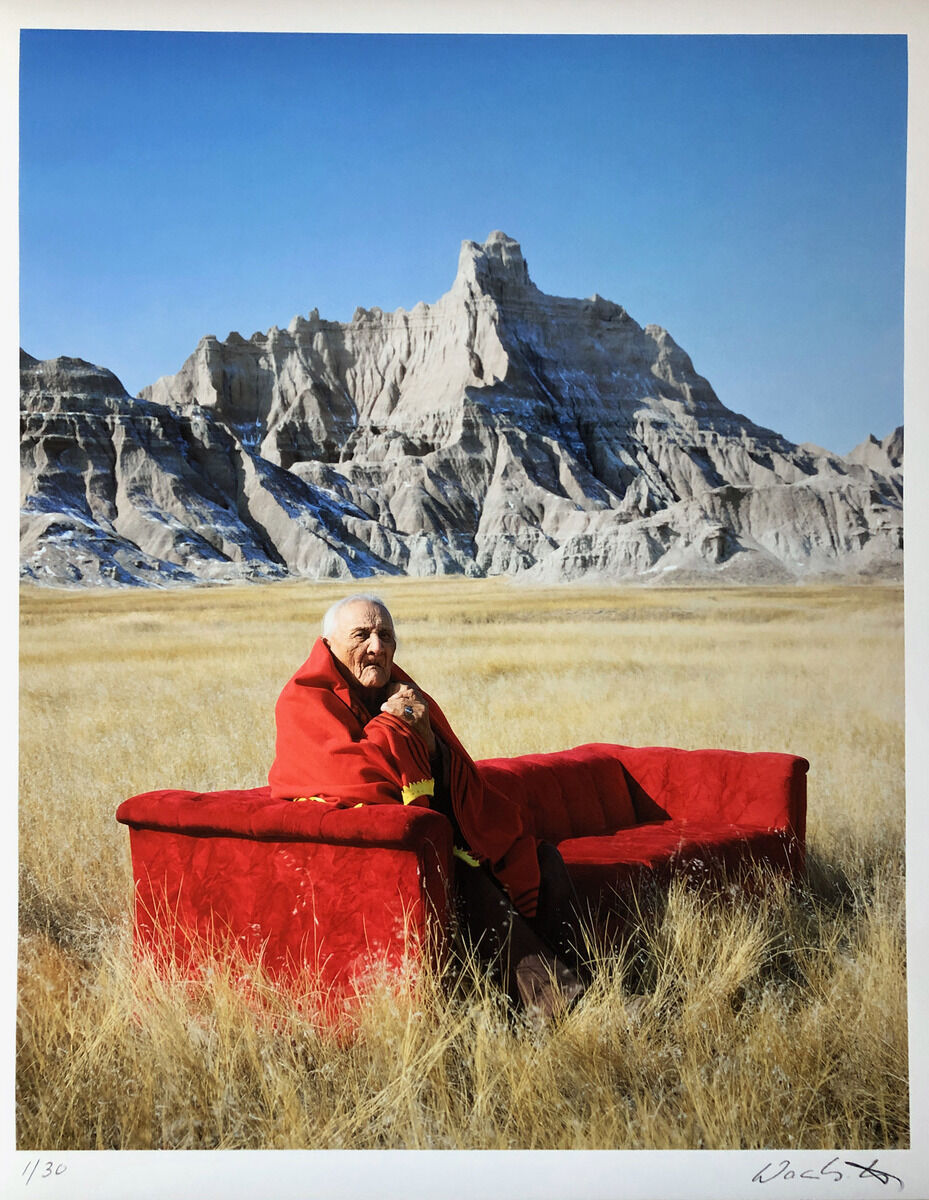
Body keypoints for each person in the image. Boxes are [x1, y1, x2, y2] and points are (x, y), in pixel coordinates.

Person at [269, 593, 585, 1017]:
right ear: (328, 644)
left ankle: (580, 979)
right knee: (462, 878)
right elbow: (356, 780)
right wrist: (397, 726)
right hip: (365, 856)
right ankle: (559, 1002)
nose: (377, 646)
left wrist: (430, 742)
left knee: (539, 858)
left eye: (385, 635)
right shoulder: (304, 699)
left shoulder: (404, 692)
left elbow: (455, 773)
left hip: (432, 832)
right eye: (361, 635)